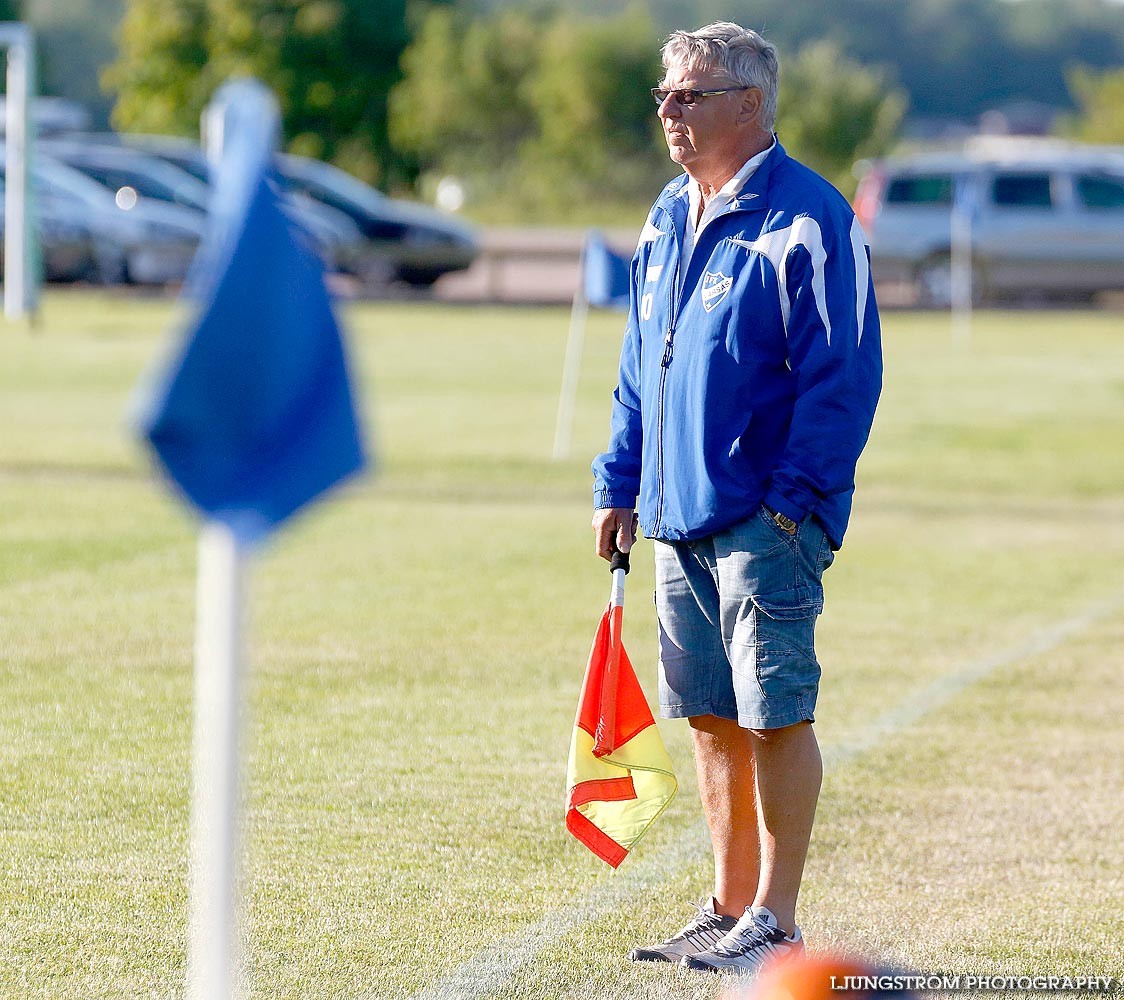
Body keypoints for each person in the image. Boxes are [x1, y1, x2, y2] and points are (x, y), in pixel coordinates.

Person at [590, 22, 883, 977]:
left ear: (749, 105)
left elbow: (843, 377)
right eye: (664, 95)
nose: (669, 112)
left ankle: (777, 917)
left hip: (766, 517)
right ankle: (724, 906)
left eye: (690, 95)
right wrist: (619, 480)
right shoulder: (666, 216)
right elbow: (641, 364)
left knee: (775, 714)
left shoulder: (810, 217)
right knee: (710, 714)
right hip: (676, 518)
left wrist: (794, 502)